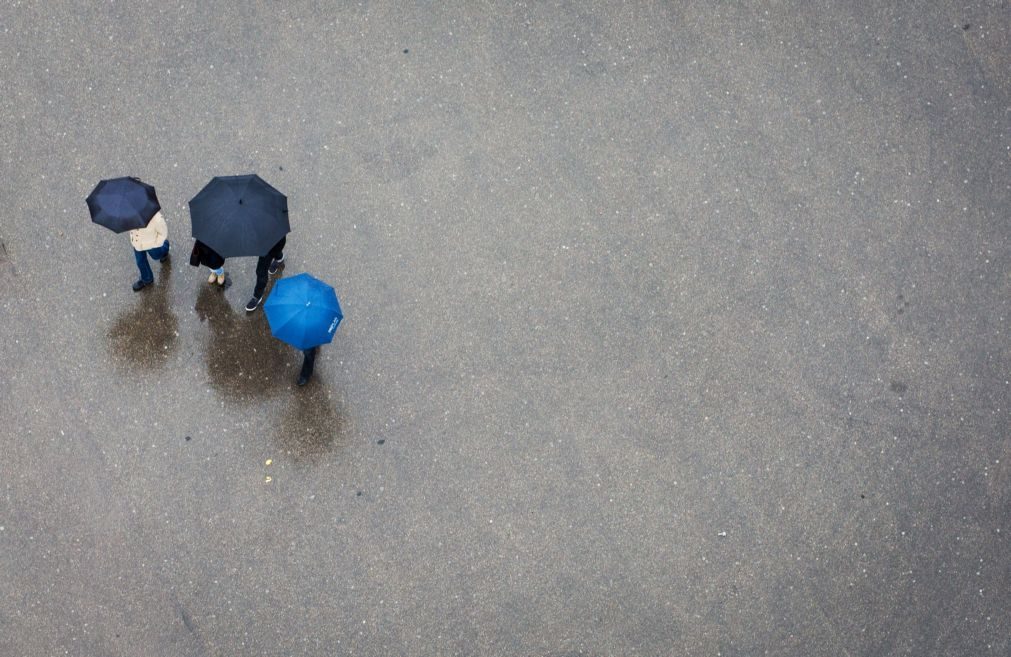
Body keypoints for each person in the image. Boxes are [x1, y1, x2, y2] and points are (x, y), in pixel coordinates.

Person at [129, 210, 170, 291]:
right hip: (137, 243)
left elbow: (163, 232)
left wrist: (157, 243)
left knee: (157, 255)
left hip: (151, 243)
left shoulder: (155, 218)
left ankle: (165, 248)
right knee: (140, 262)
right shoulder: (128, 213)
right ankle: (147, 278)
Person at [245, 236, 285, 312]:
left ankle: (257, 296)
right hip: (277, 239)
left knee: (261, 270)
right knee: (276, 249)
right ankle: (279, 258)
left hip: (270, 244)